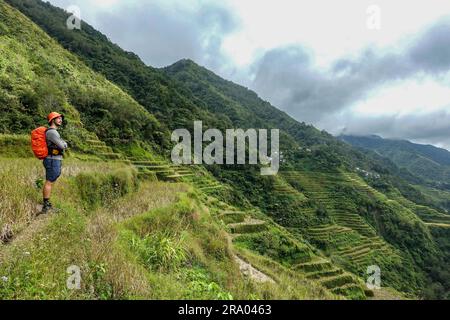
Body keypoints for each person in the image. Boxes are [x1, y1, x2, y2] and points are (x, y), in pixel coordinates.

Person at [42, 112, 68, 213]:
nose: (61, 120)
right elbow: (62, 146)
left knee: (51, 180)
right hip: (52, 159)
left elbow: (62, 143)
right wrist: (64, 144)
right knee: (49, 181)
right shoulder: (52, 132)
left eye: (61, 118)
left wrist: (63, 143)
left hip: (54, 159)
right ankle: (46, 206)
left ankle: (47, 204)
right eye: (58, 118)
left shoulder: (54, 132)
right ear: (52, 120)